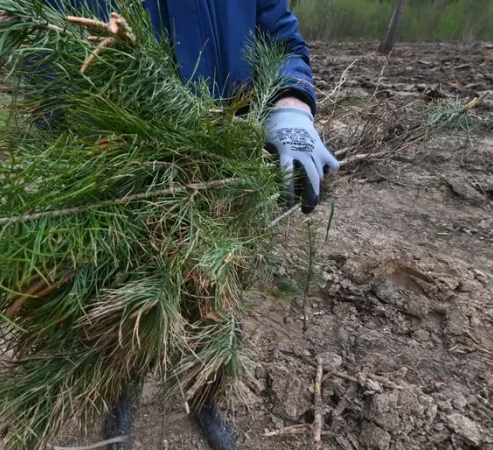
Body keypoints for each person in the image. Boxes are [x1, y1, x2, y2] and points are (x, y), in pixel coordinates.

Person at [55, 1, 339, 449]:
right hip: (120, 167)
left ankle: (207, 393)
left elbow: (281, 38)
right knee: (122, 289)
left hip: (227, 162)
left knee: (220, 288)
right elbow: (47, 55)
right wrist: (71, 159)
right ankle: (119, 395)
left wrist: (291, 105)